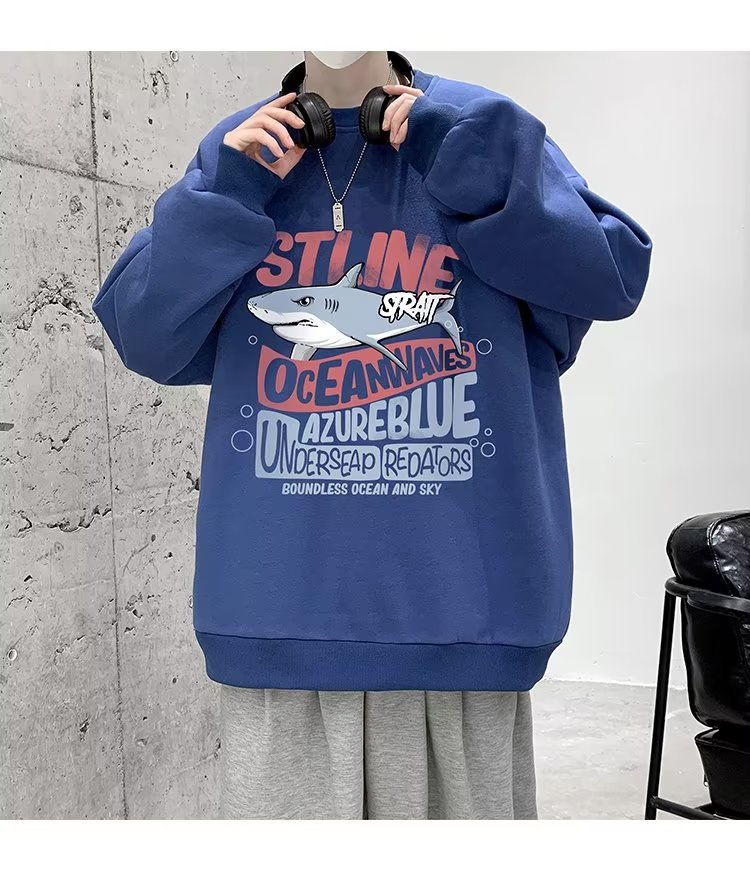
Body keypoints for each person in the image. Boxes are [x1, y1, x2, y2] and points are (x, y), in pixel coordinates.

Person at [92, 51, 652, 819]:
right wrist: (226, 196)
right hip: (279, 616)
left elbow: (611, 277)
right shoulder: (247, 148)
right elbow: (144, 335)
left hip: (465, 613)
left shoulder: (475, 125)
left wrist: (478, 168)